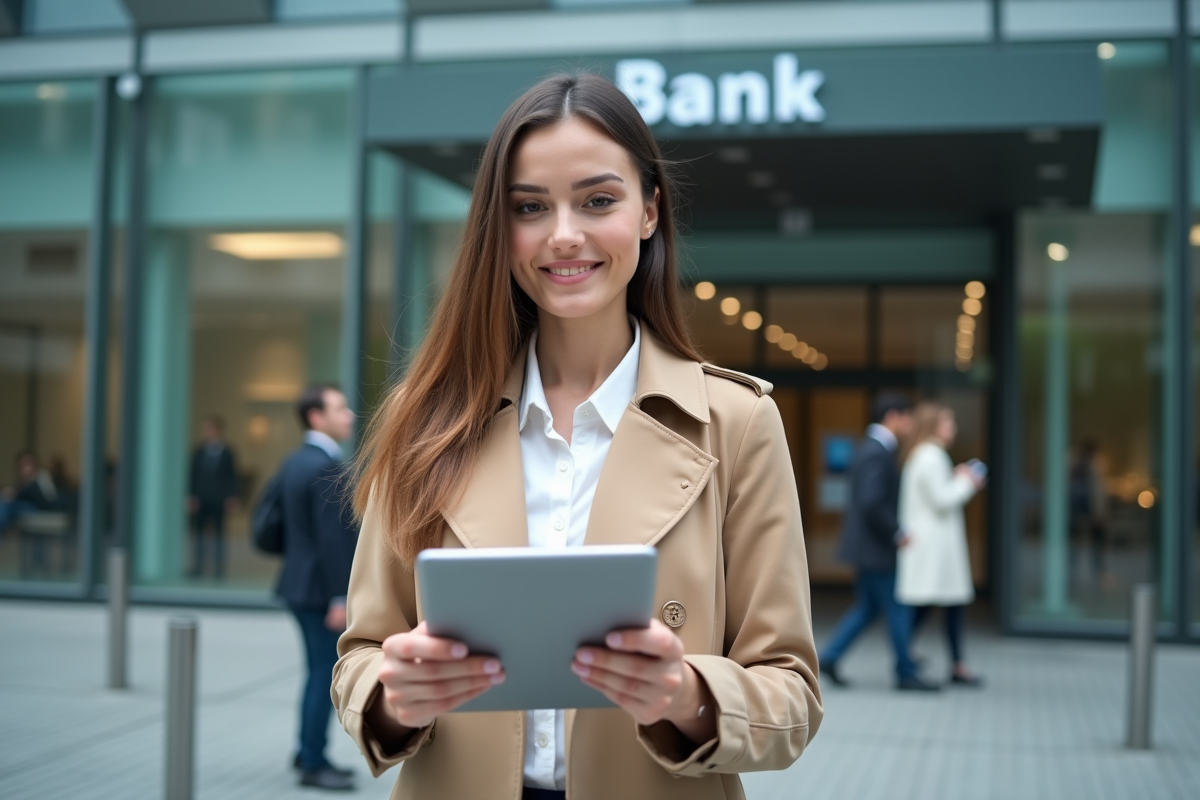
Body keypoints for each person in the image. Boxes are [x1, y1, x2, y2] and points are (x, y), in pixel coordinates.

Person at [333, 73, 822, 800]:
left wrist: (685, 694)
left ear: (650, 211)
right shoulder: (427, 417)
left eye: (598, 200)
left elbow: (791, 692)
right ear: (499, 231)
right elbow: (362, 654)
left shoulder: (737, 423)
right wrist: (393, 694)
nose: (564, 235)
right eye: (530, 208)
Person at [818, 393, 939, 691]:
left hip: (867, 548)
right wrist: (897, 531)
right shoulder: (878, 451)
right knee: (897, 608)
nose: (910, 425)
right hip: (876, 549)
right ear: (894, 417)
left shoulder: (872, 448)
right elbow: (872, 502)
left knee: (868, 608)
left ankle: (831, 656)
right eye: (908, 418)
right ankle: (906, 673)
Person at [276, 385, 360, 791]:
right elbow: (333, 540)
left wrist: (295, 555)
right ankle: (312, 760)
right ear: (316, 417)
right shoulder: (326, 466)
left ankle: (307, 750)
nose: (349, 416)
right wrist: (340, 597)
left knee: (315, 669)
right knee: (322, 673)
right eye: (340, 409)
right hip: (320, 592)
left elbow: (267, 522)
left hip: (297, 584)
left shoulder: (294, 462)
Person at [895, 402, 986, 686]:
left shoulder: (922, 456)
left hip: (932, 548)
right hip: (934, 549)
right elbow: (942, 499)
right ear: (934, 425)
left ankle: (911, 656)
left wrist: (955, 478)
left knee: (936, 605)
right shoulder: (931, 456)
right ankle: (912, 660)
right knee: (940, 604)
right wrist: (968, 482)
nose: (953, 429)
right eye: (948, 423)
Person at [187, 416, 239, 579]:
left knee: (218, 533)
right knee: (200, 532)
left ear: (217, 430)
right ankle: (199, 565)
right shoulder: (199, 451)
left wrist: (232, 497)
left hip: (219, 498)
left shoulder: (228, 452)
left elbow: (232, 476)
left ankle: (218, 568)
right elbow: (192, 475)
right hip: (202, 498)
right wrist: (191, 495)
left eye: (210, 428)